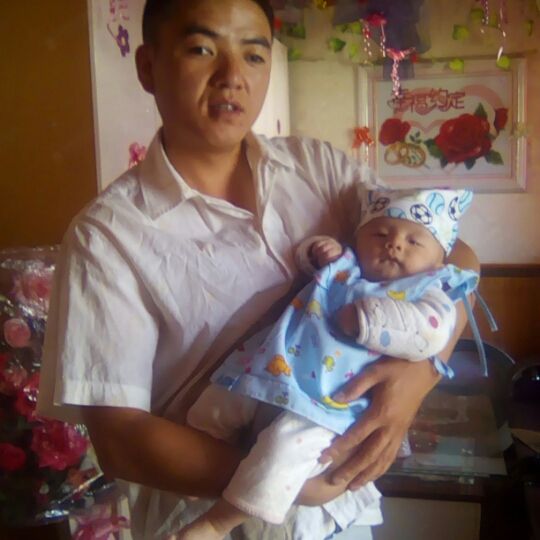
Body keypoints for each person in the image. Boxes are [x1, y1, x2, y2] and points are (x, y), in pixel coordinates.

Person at [36, 0, 480, 538]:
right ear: (148, 67)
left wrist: (419, 375)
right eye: (202, 49)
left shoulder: (320, 169)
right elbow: (121, 439)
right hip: (207, 520)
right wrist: (285, 481)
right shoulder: (107, 236)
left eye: (253, 55)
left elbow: (455, 256)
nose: (233, 77)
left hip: (342, 516)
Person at [177, 188, 478, 540]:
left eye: (413, 241)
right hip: (274, 367)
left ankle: (219, 522)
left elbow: (431, 332)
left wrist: (368, 321)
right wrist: (320, 251)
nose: (394, 244)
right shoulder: (348, 266)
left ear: (439, 261)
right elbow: (307, 268)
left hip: (330, 400)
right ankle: (199, 466)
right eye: (380, 234)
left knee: (282, 455)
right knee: (217, 402)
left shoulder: (430, 291)